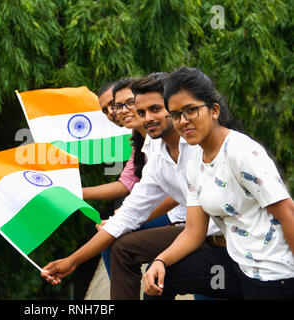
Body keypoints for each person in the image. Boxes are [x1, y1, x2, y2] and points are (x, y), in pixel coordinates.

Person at [40, 74, 222, 300]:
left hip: (225, 240)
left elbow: (144, 197)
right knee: (127, 249)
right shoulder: (153, 151)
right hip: (195, 231)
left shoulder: (202, 145)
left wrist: (160, 255)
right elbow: (131, 207)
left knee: (160, 269)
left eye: (154, 109)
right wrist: (72, 261)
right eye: (141, 111)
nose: (143, 116)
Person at [143, 67, 294, 300]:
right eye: (175, 114)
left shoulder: (241, 152)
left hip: (273, 275)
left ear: (214, 110)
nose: (183, 121)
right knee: (161, 277)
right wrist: (160, 261)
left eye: (191, 110)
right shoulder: (195, 160)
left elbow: (288, 214)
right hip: (236, 266)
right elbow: (193, 231)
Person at [83, 77, 176, 278]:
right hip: (165, 209)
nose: (114, 112)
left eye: (125, 104)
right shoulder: (141, 141)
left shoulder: (167, 137)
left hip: (183, 215)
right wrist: (78, 193)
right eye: (110, 108)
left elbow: (180, 191)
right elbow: (127, 184)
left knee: (113, 237)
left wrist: (129, 218)